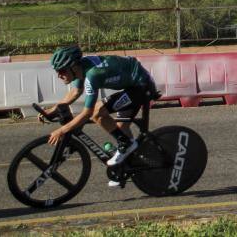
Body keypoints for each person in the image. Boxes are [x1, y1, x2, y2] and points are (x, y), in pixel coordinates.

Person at [43, 46, 159, 185]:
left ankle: (126, 144)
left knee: (98, 112)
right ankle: (123, 168)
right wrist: (52, 110)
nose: (58, 75)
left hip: (141, 86)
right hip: (132, 85)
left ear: (73, 67)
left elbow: (88, 113)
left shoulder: (93, 75)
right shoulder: (81, 68)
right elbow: (75, 92)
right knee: (121, 128)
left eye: (61, 71)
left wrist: (62, 130)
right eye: (57, 71)